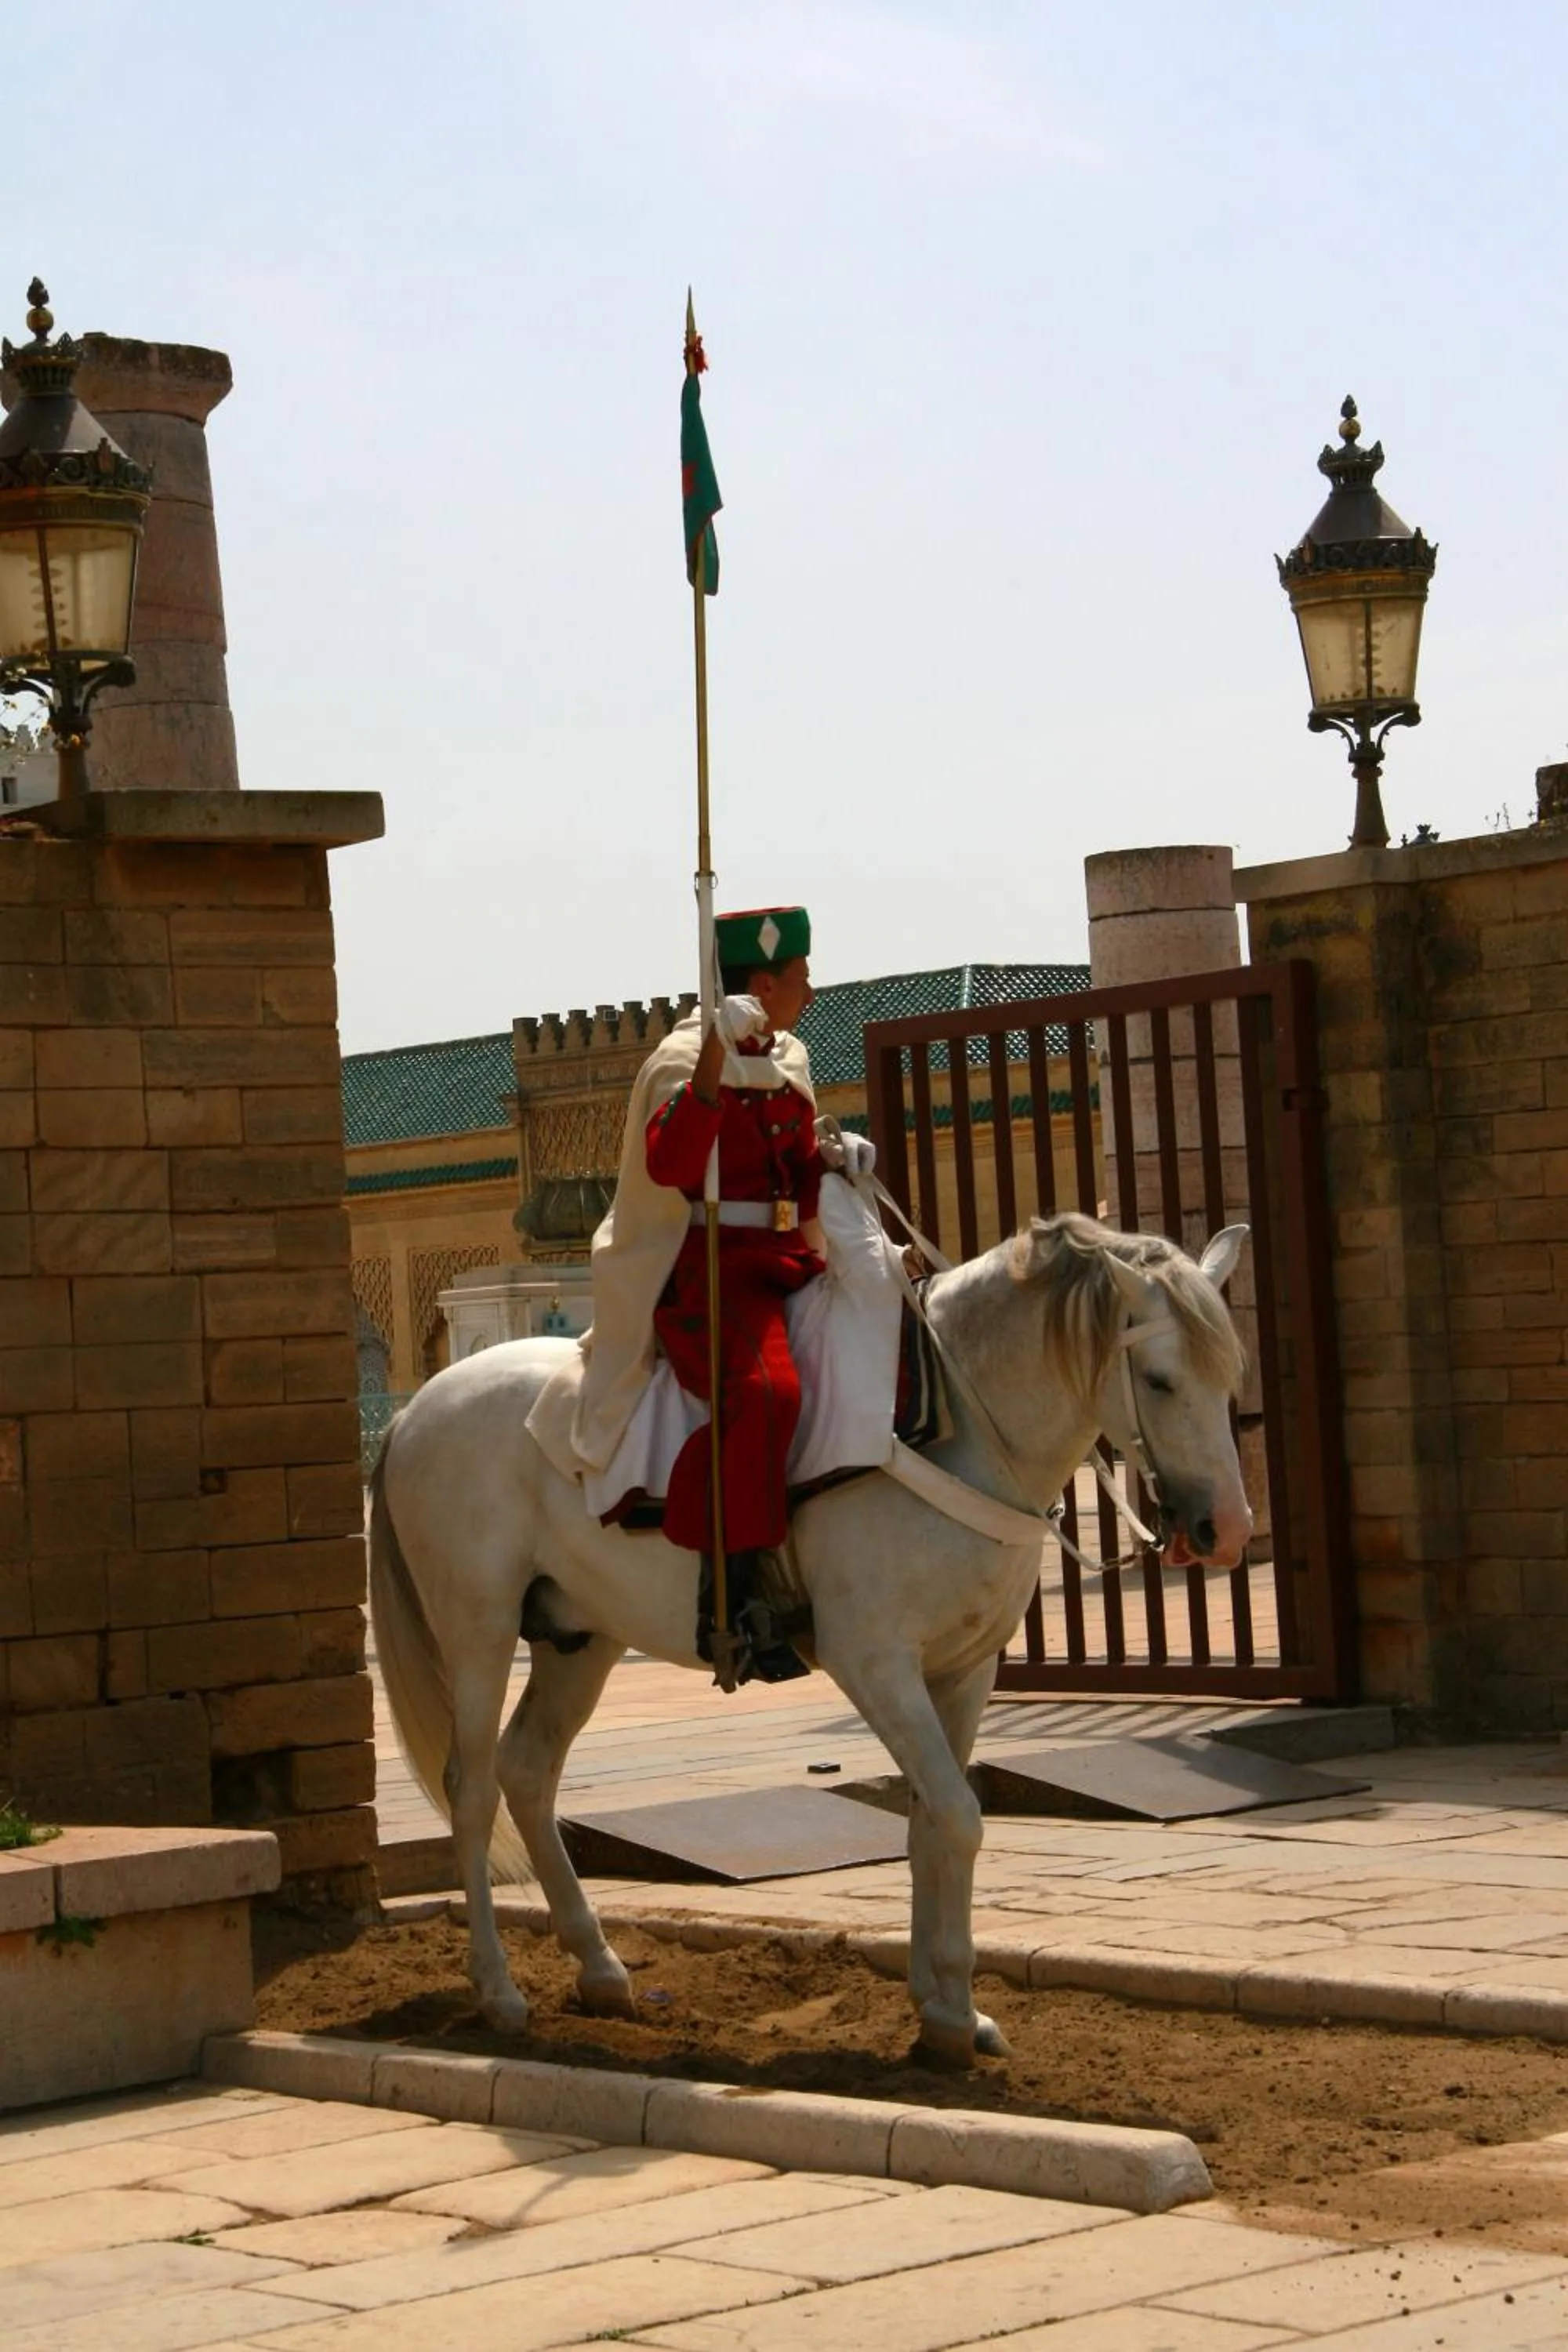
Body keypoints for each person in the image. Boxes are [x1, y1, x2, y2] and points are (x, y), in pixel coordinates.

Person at [568, 905, 826, 1684]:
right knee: (766, 1391)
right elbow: (671, 1164)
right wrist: (716, 1056)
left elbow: (799, 1170)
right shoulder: (679, 1063)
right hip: (707, 1269)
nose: (808, 994)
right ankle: (738, 1596)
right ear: (760, 982)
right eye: (799, 979)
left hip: (786, 1256)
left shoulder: (789, 1055)